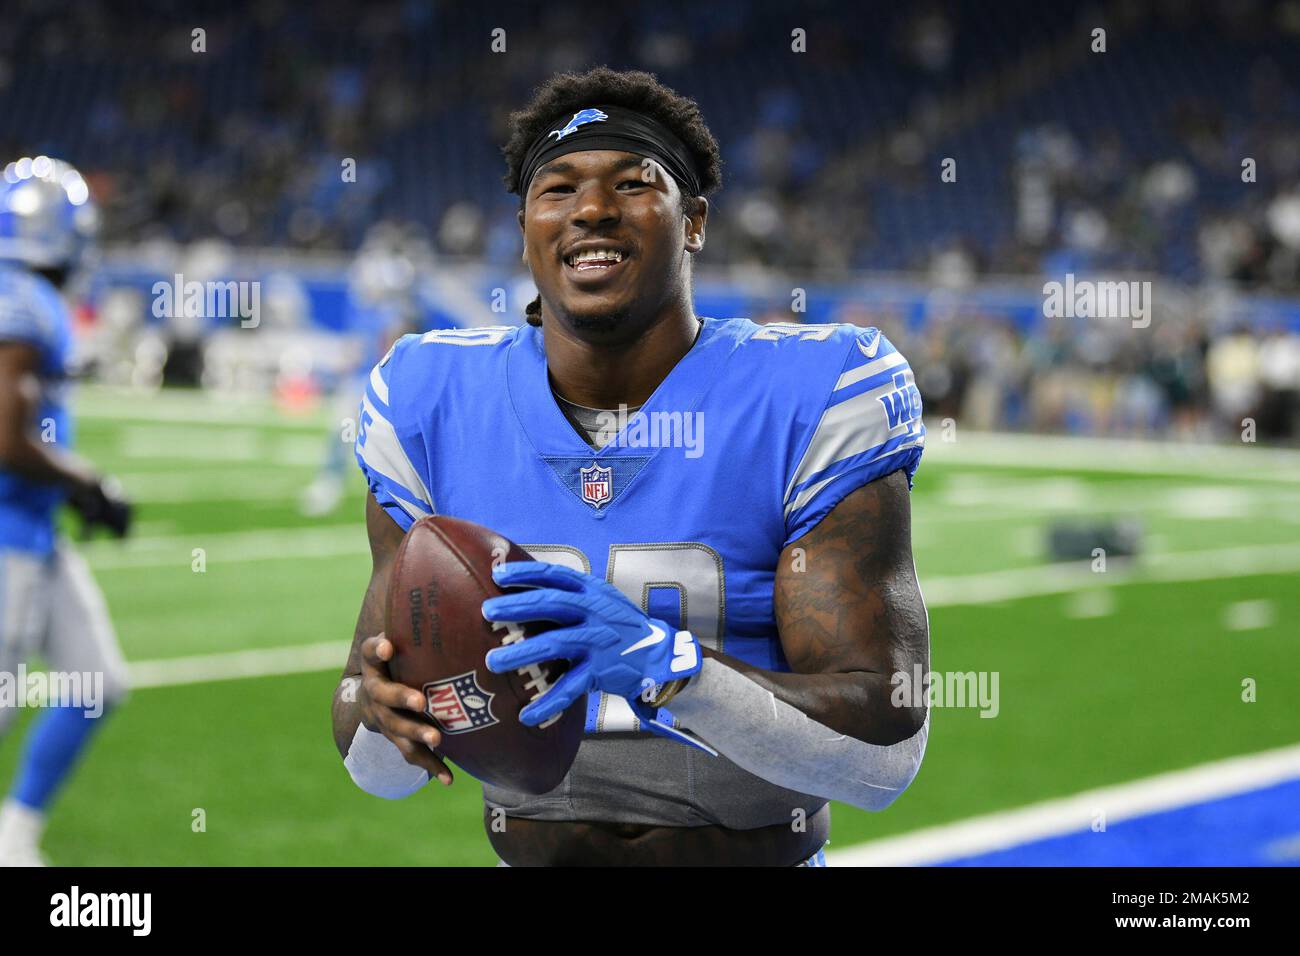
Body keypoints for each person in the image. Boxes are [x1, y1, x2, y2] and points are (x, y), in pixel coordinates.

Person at [331, 68, 929, 866]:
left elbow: (886, 761)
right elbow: (375, 767)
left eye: (635, 181)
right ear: (525, 228)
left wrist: (670, 667)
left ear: (695, 222)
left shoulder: (813, 390)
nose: (592, 208)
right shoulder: (427, 397)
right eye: (559, 186)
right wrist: (385, 718)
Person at [0, 157, 132, 866]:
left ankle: (14, 835)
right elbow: (5, 439)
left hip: (35, 532)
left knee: (95, 681)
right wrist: (88, 480)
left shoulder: (20, 294)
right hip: (6, 535)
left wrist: (76, 488)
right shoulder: (20, 300)